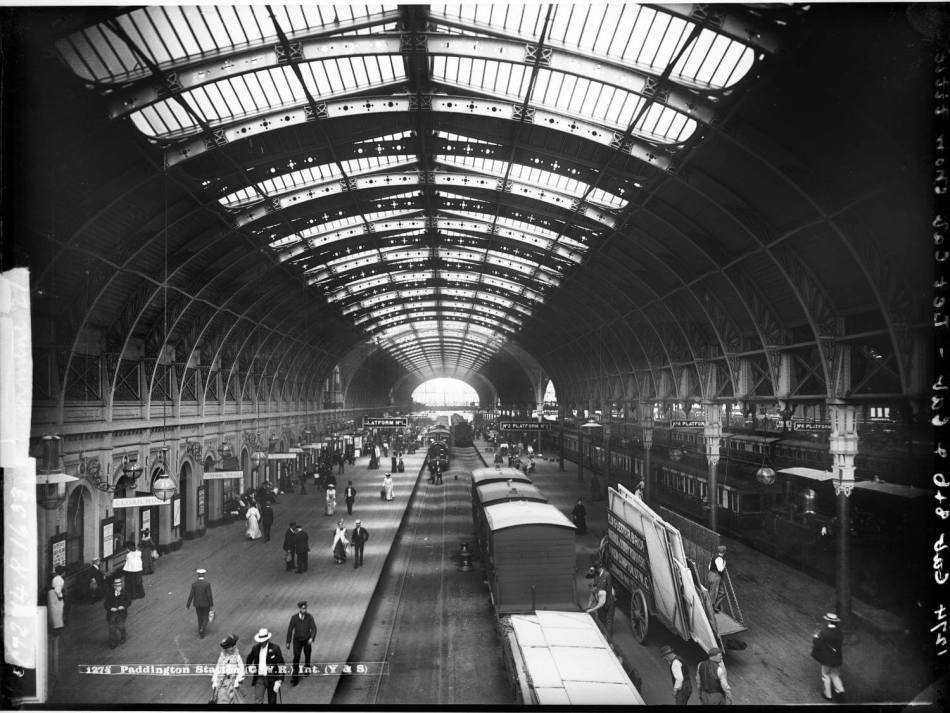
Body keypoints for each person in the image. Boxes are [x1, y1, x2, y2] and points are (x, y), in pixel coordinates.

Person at [812, 612, 845, 702]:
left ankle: (828, 695)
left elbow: (818, 643)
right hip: (837, 658)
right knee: (835, 675)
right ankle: (840, 690)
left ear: (828, 621)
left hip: (827, 659)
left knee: (825, 675)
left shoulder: (825, 632)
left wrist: (815, 637)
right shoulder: (839, 632)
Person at [246, 628, 284, 705]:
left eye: (263, 640)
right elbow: (249, 658)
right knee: (258, 700)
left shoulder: (275, 648)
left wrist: (280, 680)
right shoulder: (255, 648)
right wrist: (249, 666)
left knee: (272, 701)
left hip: (272, 678)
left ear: (267, 639)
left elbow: (281, 664)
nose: (261, 642)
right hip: (259, 678)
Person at [285, 601, 317, 686]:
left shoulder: (309, 617)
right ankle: (295, 676)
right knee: (296, 657)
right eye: (303, 608)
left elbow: (314, 628)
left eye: (305, 608)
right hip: (297, 641)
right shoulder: (294, 618)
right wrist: (288, 642)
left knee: (307, 655)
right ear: (300, 609)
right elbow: (290, 630)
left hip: (307, 640)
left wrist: (311, 638)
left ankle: (307, 669)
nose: (304, 610)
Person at [211, 633, 246, 704]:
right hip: (222, 683)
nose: (231, 648)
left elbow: (241, 670)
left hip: (233, 683)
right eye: (229, 647)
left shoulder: (237, 657)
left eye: (232, 646)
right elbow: (218, 669)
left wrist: (237, 681)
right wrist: (215, 681)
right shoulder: (222, 657)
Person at [584, 564, 614, 636]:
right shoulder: (596, 575)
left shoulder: (607, 575)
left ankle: (608, 639)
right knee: (601, 619)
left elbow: (609, 590)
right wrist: (588, 606)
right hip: (601, 600)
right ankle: (602, 635)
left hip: (608, 601)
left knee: (609, 621)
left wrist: (591, 610)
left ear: (599, 569)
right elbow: (586, 576)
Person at [103, 576, 131, 648]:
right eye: (116, 586)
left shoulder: (125, 593)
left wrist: (123, 606)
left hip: (121, 614)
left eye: (119, 586)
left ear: (121, 585)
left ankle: (123, 636)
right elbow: (106, 604)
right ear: (114, 586)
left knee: (120, 626)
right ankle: (113, 642)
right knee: (112, 628)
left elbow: (128, 602)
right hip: (112, 613)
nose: (118, 587)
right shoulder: (110, 594)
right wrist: (110, 608)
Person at [185, 568, 214, 638]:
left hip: (197, 604)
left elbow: (191, 595)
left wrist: (188, 604)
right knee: (206, 618)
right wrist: (211, 604)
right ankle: (202, 629)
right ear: (204, 575)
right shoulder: (207, 584)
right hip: (205, 604)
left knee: (199, 617)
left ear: (198, 575)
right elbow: (209, 595)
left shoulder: (194, 584)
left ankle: (200, 632)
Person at [708, 545, 728, 612]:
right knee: (713, 593)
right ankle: (710, 609)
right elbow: (720, 569)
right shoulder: (720, 559)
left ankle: (714, 607)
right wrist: (724, 564)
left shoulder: (714, 556)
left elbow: (709, 566)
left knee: (718, 592)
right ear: (724, 552)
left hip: (711, 574)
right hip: (716, 576)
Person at [48, 567, 66, 637]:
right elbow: (57, 590)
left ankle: (56, 626)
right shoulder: (59, 579)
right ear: (63, 572)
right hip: (55, 595)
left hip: (52, 594)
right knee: (58, 611)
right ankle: (57, 628)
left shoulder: (56, 578)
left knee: (54, 611)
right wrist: (60, 596)